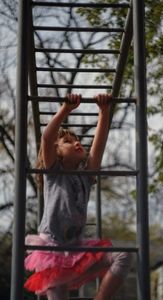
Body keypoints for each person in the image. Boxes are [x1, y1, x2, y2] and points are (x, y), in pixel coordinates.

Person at [24, 94, 132, 300]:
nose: (76, 143)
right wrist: (65, 109)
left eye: (77, 140)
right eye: (67, 141)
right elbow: (47, 138)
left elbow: (98, 146)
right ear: (57, 152)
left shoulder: (86, 176)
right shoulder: (54, 172)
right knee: (58, 293)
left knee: (123, 255)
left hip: (77, 250)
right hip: (53, 254)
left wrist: (104, 111)